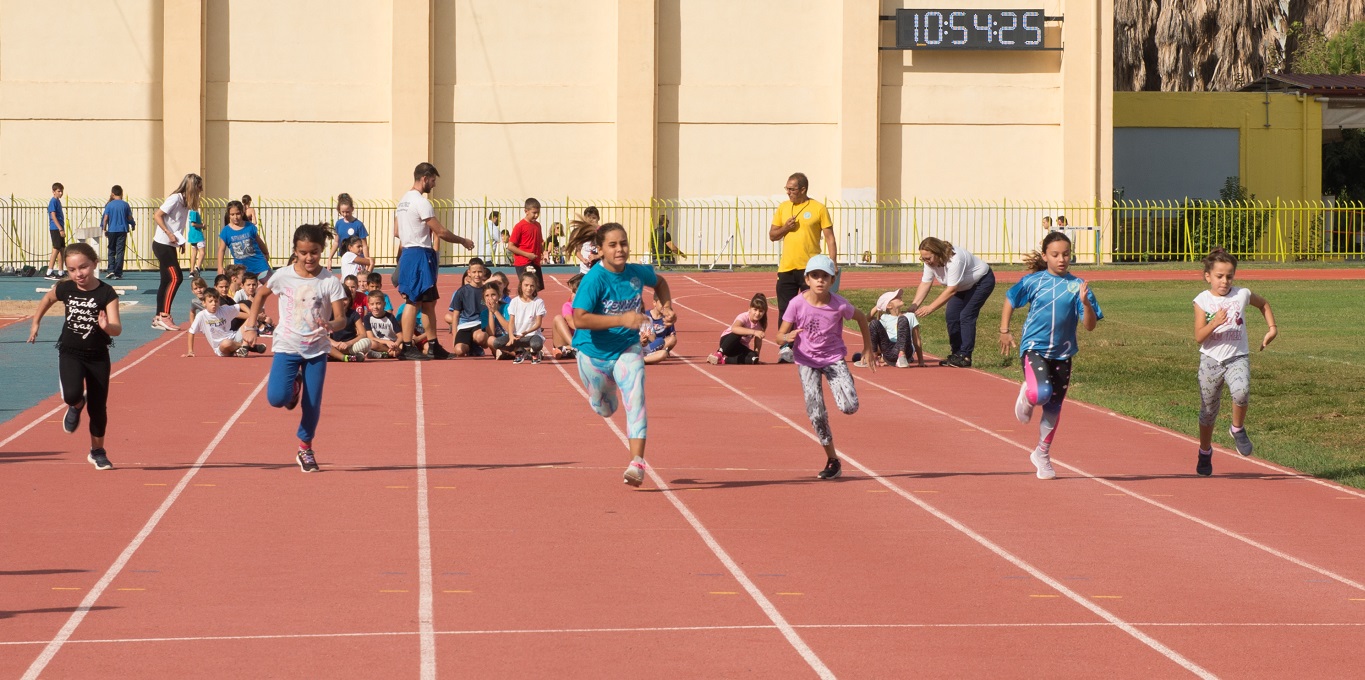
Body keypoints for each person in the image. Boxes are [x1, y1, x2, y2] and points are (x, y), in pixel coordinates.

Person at [241, 224, 350, 472]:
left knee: (312, 403)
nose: (308, 257)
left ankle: (305, 448)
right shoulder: (283, 276)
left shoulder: (329, 282)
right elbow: (259, 296)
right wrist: (250, 325)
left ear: (321, 250)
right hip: (288, 345)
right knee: (276, 398)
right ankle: (294, 386)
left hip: (317, 348)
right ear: (295, 251)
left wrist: (330, 325)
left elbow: (341, 318)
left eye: (314, 252)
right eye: (303, 252)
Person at [571, 222, 673, 487]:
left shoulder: (637, 273)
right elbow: (579, 318)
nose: (620, 250)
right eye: (613, 245)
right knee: (605, 408)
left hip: (628, 348)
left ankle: (637, 463)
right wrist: (621, 319)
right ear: (601, 249)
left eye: (623, 243)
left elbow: (660, 282)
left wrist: (667, 306)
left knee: (636, 397)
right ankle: (602, 395)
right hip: (593, 354)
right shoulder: (595, 278)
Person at [999, 231, 1102, 480]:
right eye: (1055, 255)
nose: (1061, 259)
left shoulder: (1078, 285)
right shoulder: (1034, 281)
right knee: (1040, 393)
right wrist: (1005, 330)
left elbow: (1089, 326)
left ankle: (1042, 454)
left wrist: (1086, 303)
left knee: (1054, 408)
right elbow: (1010, 299)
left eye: (1066, 254)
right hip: (1034, 347)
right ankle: (1027, 392)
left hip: (1063, 353)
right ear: (1045, 256)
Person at [775, 254, 873, 480]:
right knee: (816, 413)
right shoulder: (796, 303)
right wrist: (785, 337)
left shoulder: (839, 305)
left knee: (849, 407)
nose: (820, 280)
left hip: (833, 359)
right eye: (815, 276)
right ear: (807, 279)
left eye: (825, 277)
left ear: (832, 280)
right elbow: (779, 336)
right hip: (806, 362)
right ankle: (832, 459)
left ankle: (842, 383)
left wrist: (867, 348)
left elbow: (860, 318)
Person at [27, 243, 122, 470]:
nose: (78, 273)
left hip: (98, 355)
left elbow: (117, 327)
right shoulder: (66, 288)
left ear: (94, 264)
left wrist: (106, 326)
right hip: (70, 352)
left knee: (98, 408)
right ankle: (76, 404)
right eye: (72, 269)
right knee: (71, 395)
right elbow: (48, 299)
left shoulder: (107, 293)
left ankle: (97, 451)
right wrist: (36, 322)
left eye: (83, 267)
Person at [1192, 247, 1277, 476]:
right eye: (1219, 276)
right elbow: (1199, 336)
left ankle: (1237, 428)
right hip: (1211, 360)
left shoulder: (1242, 294)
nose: (1225, 281)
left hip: (1237, 357)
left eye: (1229, 276)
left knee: (1241, 391)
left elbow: (1263, 304)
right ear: (1208, 276)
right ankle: (1205, 451)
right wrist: (1214, 323)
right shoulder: (1202, 300)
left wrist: (1272, 328)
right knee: (1208, 412)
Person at [393, 162, 475, 360]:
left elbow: (397, 232)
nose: (434, 184)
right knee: (413, 302)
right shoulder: (421, 202)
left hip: (409, 252)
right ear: (425, 178)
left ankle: (432, 345)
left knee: (429, 302)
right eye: (433, 180)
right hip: (419, 254)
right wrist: (462, 240)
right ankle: (406, 346)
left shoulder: (403, 201)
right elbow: (440, 231)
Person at [769, 172, 837, 364]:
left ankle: (812, 346)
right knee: (785, 309)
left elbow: (830, 238)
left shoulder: (818, 208)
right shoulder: (783, 208)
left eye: (792, 189)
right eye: (787, 189)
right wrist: (785, 228)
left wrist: (833, 263)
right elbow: (773, 235)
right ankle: (785, 347)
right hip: (787, 268)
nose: (788, 192)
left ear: (803, 189)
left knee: (812, 309)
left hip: (811, 269)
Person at [909, 236, 995, 368]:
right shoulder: (929, 263)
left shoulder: (955, 259)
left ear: (938, 253)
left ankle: (965, 356)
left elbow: (951, 290)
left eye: (928, 258)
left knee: (966, 315)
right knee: (952, 316)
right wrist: (914, 306)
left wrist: (930, 308)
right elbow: (926, 283)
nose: (926, 261)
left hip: (981, 282)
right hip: (961, 287)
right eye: (923, 258)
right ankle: (956, 354)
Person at [151, 173, 201, 331]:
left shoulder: (186, 203)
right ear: (192, 187)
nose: (201, 191)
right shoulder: (175, 199)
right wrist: (169, 233)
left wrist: (180, 241)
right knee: (176, 278)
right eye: (199, 188)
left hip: (170, 245)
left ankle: (159, 316)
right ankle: (165, 316)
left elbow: (176, 223)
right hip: (162, 244)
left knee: (166, 280)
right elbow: (157, 216)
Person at [185, 287, 265, 358]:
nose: (214, 304)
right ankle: (249, 347)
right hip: (221, 347)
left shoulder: (224, 309)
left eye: (216, 301)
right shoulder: (201, 316)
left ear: (219, 302)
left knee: (250, 319)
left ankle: (242, 348)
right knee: (226, 343)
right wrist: (190, 351)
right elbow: (191, 332)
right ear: (204, 303)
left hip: (234, 337)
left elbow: (241, 305)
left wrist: (252, 315)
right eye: (210, 301)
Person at [494, 271, 547, 363]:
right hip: (516, 336)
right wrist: (511, 336)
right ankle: (520, 351)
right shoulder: (514, 302)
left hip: (532, 335)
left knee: (536, 344)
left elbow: (538, 324)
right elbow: (511, 321)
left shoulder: (538, 302)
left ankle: (535, 352)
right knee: (497, 343)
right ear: (521, 285)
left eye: (532, 286)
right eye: (526, 285)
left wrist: (525, 332)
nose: (529, 288)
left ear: (535, 287)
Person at [864, 288, 924, 368]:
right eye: (896, 297)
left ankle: (902, 356)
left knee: (902, 319)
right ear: (889, 305)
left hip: (906, 350)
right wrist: (878, 306)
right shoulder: (885, 317)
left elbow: (917, 340)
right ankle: (874, 357)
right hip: (889, 350)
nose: (900, 297)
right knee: (874, 323)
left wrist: (921, 361)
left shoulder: (910, 316)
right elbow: (868, 319)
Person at [443, 259, 490, 357]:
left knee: (481, 337)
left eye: (480, 272)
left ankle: (478, 345)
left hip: (479, 325)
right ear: (469, 273)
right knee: (459, 351)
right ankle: (472, 347)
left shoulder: (487, 290)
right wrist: (454, 337)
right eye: (474, 272)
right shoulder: (461, 292)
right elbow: (455, 316)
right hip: (464, 326)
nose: (477, 275)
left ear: (484, 272)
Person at [707, 292, 768, 366]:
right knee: (738, 333)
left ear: (764, 312)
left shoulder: (761, 324)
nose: (757, 313)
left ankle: (724, 360)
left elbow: (758, 343)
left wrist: (757, 356)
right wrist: (754, 332)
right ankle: (719, 353)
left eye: (761, 311)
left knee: (753, 358)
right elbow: (734, 328)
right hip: (728, 342)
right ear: (749, 309)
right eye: (755, 309)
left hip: (740, 347)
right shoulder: (744, 316)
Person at [218, 200, 272, 280]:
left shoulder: (249, 227)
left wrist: (266, 253)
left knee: (271, 288)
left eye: (238, 214)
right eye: (232, 214)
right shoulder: (226, 231)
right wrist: (220, 267)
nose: (235, 217)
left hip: (260, 266)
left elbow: (259, 241)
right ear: (229, 215)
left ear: (242, 213)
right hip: (242, 271)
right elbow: (221, 250)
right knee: (247, 290)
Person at [509, 197, 545, 290]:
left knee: (536, 288)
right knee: (527, 288)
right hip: (523, 262)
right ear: (526, 211)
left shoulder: (537, 225)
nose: (536, 215)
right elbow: (511, 246)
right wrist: (527, 255)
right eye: (534, 213)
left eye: (538, 213)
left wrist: (544, 252)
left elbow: (540, 242)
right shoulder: (520, 226)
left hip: (535, 262)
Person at [100, 185, 134, 280]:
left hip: (112, 230)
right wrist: (133, 224)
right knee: (120, 251)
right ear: (122, 193)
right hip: (122, 230)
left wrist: (104, 228)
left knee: (111, 250)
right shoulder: (125, 204)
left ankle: (110, 270)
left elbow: (106, 218)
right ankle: (118, 272)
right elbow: (129, 217)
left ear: (112, 194)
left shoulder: (109, 205)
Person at [328, 193, 368, 270]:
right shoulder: (339, 224)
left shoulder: (358, 224)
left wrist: (366, 260)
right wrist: (330, 258)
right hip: (344, 257)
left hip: (357, 258)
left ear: (352, 209)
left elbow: (364, 245)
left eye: (347, 212)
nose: (345, 214)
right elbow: (336, 242)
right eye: (342, 212)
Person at [361, 291, 403, 358]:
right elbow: (370, 337)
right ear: (368, 305)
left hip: (392, 343)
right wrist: (386, 342)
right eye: (372, 304)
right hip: (379, 344)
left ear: (384, 304)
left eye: (378, 303)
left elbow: (400, 336)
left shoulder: (390, 317)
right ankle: (390, 353)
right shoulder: (367, 318)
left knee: (402, 346)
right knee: (371, 343)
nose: (375, 307)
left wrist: (396, 344)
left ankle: (383, 354)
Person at [550, 273, 582, 359]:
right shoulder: (568, 305)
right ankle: (573, 346)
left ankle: (568, 349)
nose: (572, 293)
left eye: (574, 291)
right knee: (558, 318)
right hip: (566, 340)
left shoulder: (592, 306)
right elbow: (571, 322)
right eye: (571, 291)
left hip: (583, 340)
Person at [640, 299, 677, 365]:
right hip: (631, 350)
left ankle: (641, 360)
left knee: (663, 353)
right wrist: (639, 340)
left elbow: (651, 340)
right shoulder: (625, 322)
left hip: (646, 351)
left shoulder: (648, 319)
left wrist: (646, 339)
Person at [45, 183, 66, 280]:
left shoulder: (58, 202)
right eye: (58, 191)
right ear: (53, 192)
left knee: (62, 249)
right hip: (55, 228)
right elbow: (53, 216)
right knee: (56, 248)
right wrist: (60, 228)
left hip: (60, 227)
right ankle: (49, 271)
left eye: (61, 191)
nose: (60, 193)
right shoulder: (53, 201)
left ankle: (61, 272)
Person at [186, 204, 207, 276]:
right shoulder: (194, 212)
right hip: (197, 235)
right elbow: (193, 224)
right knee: (202, 252)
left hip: (192, 235)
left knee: (194, 253)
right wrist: (202, 226)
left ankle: (191, 271)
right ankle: (197, 267)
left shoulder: (190, 212)